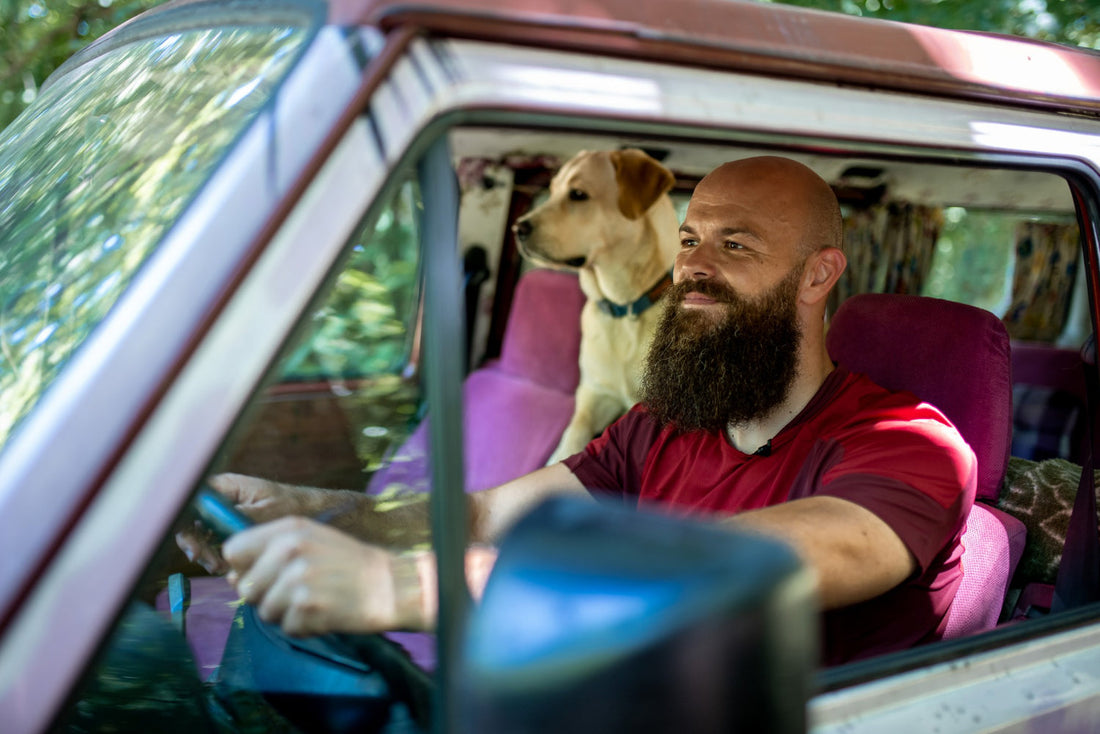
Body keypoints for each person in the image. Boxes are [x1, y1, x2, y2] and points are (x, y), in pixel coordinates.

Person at [182, 156, 975, 665]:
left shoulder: (912, 446)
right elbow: (490, 514)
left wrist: (403, 586)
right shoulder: (662, 425)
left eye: (735, 246)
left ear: (816, 276)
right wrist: (320, 513)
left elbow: (736, 569)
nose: (693, 269)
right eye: (690, 240)